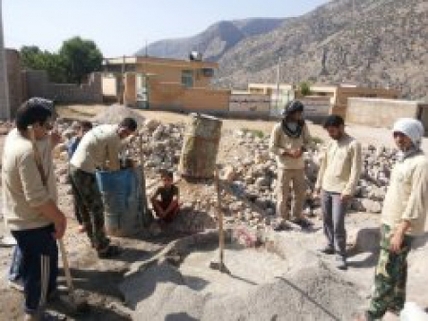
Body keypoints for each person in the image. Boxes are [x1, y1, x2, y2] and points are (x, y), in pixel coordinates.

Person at [2, 99, 67, 321]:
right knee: (37, 271)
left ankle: (49, 294)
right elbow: (37, 199)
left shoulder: (15, 135)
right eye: (47, 125)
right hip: (33, 222)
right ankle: (34, 313)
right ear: (34, 127)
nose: (50, 130)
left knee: (46, 262)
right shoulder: (26, 153)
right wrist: (60, 219)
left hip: (27, 218)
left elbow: (38, 148)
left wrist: (51, 143)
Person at [358, 118, 428, 321]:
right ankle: (396, 305)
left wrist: (400, 230)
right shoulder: (403, 158)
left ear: (414, 136)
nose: (398, 138)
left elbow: (417, 200)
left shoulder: (421, 164)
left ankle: (372, 314)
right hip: (391, 223)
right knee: (398, 266)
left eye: (402, 134)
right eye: (395, 134)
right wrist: (385, 224)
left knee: (385, 270)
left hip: (402, 226)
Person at [69, 118, 137, 258]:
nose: (124, 136)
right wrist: (128, 164)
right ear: (123, 129)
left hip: (73, 167)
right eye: (125, 134)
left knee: (84, 208)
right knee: (97, 209)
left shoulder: (107, 127)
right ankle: (103, 248)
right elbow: (113, 167)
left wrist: (125, 142)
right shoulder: (113, 137)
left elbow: (110, 147)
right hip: (84, 172)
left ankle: (95, 241)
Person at [314, 115, 362, 270]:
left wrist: (349, 190)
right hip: (326, 188)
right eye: (329, 131)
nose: (331, 134)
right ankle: (329, 244)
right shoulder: (331, 144)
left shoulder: (353, 144)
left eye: (333, 130)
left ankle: (340, 254)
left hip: (340, 191)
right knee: (327, 219)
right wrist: (318, 184)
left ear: (341, 127)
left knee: (338, 223)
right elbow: (324, 166)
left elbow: (356, 170)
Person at [269, 100, 312, 230]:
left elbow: (309, 142)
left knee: (299, 193)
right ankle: (281, 219)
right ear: (291, 113)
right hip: (284, 166)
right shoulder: (278, 127)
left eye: (300, 113)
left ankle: (296, 217)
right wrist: (287, 152)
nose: (300, 115)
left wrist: (302, 149)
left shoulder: (302, 126)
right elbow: (272, 147)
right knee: (283, 194)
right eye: (298, 113)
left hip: (299, 166)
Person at [66, 120, 93, 232]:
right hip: (77, 173)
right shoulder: (74, 143)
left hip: (89, 172)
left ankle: (90, 221)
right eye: (84, 130)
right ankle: (82, 222)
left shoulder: (91, 142)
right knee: (78, 199)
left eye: (88, 131)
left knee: (90, 198)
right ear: (79, 130)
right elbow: (73, 159)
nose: (85, 133)